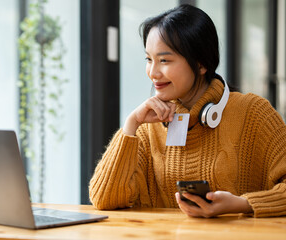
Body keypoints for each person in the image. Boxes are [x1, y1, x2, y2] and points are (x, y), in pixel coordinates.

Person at [88, 4, 286, 218]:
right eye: (149, 59)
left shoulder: (253, 113)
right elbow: (103, 199)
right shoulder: (148, 126)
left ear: (201, 64)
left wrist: (242, 204)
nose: (153, 72)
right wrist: (131, 124)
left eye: (164, 60)